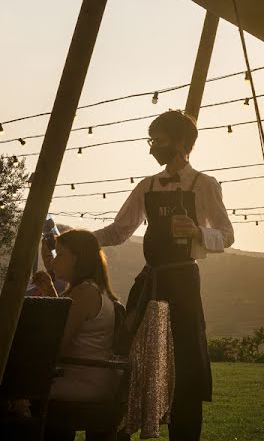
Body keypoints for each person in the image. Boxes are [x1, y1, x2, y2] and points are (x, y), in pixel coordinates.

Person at [93, 110, 234, 441]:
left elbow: (227, 235)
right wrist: (83, 238)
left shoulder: (205, 185)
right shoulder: (147, 186)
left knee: (185, 364)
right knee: (130, 357)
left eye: (157, 140)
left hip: (184, 283)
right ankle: (120, 429)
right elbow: (118, 231)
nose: (152, 148)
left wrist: (199, 232)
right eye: (151, 140)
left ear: (181, 143)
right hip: (151, 282)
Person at [32, 230, 119, 441]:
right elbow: (70, 323)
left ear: (77, 258)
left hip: (83, 382)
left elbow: (57, 343)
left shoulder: (84, 293)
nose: (54, 261)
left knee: (16, 393)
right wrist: (51, 291)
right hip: (92, 377)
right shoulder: (89, 290)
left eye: (60, 254)